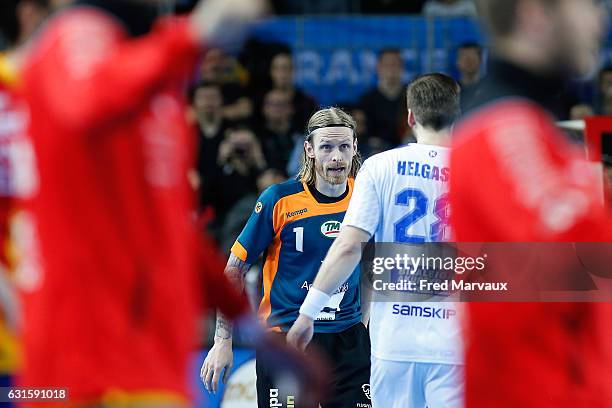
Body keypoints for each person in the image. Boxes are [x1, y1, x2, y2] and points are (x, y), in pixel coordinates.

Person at [16, 0, 322, 406]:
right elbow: (86, 100)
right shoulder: (76, 34)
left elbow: (173, 234)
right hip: (85, 369)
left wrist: (253, 329)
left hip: (154, 364)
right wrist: (194, 34)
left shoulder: (157, 87)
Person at [450, 0, 612, 406]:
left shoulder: (536, 130)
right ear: (536, 12)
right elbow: (580, 263)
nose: (601, 19)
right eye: (588, 4)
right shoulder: (500, 129)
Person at [287, 74, 463, 408]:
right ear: (457, 114)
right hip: (455, 343)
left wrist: (308, 312)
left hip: (394, 339)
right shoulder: (476, 169)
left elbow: (350, 246)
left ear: (410, 116)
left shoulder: (380, 167)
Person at [201, 107, 372, 408]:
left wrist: (365, 324)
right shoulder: (278, 199)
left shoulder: (366, 196)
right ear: (308, 149)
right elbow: (234, 269)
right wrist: (222, 341)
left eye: (345, 146)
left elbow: (372, 265)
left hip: (348, 341)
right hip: (286, 340)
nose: (337, 157)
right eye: (327, 147)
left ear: (355, 147)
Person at [0, 0, 50, 396]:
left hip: (51, 336)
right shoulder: (9, 88)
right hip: (19, 334)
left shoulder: (62, 94)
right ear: (30, 14)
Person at [359, 48, 408, 150]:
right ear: (378, 68)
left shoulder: (412, 97)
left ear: (402, 67)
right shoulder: (367, 100)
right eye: (387, 65)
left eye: (395, 64)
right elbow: (362, 133)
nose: (391, 69)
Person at [455, 42, 483, 110]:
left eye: (472, 58)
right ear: (457, 61)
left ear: (481, 60)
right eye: (465, 58)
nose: (468, 62)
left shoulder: (490, 89)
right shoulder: (451, 91)